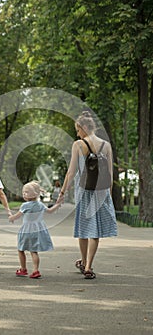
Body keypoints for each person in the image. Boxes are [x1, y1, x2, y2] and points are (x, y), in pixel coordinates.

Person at [57, 111, 117, 279]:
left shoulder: (78, 145)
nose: (77, 133)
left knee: (84, 229)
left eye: (78, 129)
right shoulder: (106, 146)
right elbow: (110, 175)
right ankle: (89, 265)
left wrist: (62, 192)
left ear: (83, 128)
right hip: (101, 192)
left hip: (84, 192)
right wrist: (109, 196)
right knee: (95, 231)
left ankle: (84, 263)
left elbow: (71, 172)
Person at [8, 181, 61, 279]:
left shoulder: (25, 205)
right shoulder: (40, 205)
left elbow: (18, 216)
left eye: (26, 192)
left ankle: (23, 269)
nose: (24, 194)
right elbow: (50, 211)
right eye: (23, 192)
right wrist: (57, 205)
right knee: (33, 251)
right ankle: (36, 270)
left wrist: (12, 218)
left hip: (26, 231)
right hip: (37, 231)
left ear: (35, 194)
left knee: (21, 249)